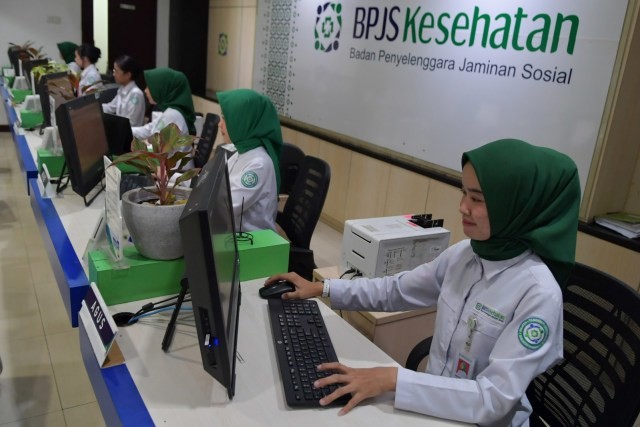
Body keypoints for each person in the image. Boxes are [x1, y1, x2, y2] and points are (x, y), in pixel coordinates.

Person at [264, 139, 581, 425]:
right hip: (434, 405)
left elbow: (493, 399)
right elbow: (398, 290)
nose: (463, 207)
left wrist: (394, 380)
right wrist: (323, 288)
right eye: (463, 193)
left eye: (478, 199)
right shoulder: (466, 255)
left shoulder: (538, 293)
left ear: (519, 207)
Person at [217, 89, 282, 232]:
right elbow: (217, 186)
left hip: (251, 242)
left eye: (226, 118)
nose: (220, 124)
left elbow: (226, 207)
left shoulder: (259, 163)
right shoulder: (240, 152)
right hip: (232, 233)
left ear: (244, 122)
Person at [132, 67, 196, 140]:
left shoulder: (173, 115)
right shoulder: (170, 111)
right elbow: (149, 130)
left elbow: (155, 148)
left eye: (149, 87)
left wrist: (143, 145)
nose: (145, 90)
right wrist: (126, 129)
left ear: (162, 89)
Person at [101, 55, 145, 126]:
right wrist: (94, 108)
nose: (114, 74)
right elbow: (111, 107)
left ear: (128, 75)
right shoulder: (122, 89)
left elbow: (131, 123)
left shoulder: (135, 94)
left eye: (116, 71)